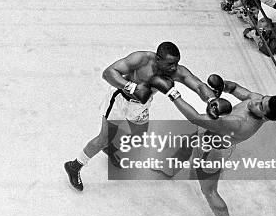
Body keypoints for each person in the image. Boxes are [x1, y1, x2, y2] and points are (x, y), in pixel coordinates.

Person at [150, 73, 276, 216]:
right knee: (188, 141)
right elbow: (234, 88)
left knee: (209, 191)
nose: (255, 102)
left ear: (266, 118)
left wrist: (172, 93)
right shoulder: (257, 99)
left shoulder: (239, 123)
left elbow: (195, 117)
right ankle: (169, 168)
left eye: (261, 107)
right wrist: (221, 87)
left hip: (213, 151)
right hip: (209, 136)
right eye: (262, 99)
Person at [64, 42, 218, 191]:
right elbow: (108, 73)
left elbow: (198, 85)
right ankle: (74, 166)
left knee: (139, 135)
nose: (174, 68)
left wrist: (211, 100)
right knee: (103, 138)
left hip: (140, 107)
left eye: (176, 63)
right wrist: (131, 87)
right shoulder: (141, 59)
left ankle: (111, 149)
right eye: (170, 64)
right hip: (120, 100)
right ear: (158, 59)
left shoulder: (176, 72)